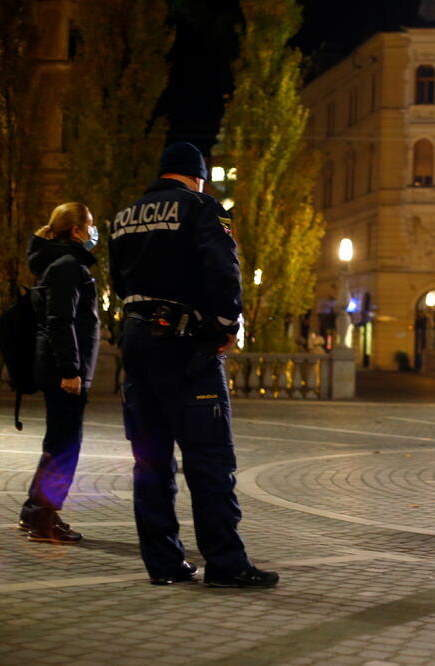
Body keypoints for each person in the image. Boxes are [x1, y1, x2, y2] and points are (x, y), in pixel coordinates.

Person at [110, 142, 278, 588]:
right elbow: (224, 265)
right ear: (197, 177)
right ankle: (225, 563)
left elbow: (116, 281)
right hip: (186, 346)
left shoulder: (125, 215)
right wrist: (226, 324)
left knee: (150, 461)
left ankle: (164, 563)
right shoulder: (203, 207)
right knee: (209, 458)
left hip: (136, 342)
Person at [20, 202, 100, 544]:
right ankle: (41, 517)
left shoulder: (60, 263)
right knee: (63, 445)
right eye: (91, 225)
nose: (95, 231)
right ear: (77, 231)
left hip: (62, 367)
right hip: (64, 370)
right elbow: (61, 320)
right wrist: (71, 370)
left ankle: (41, 514)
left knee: (61, 443)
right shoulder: (67, 265)